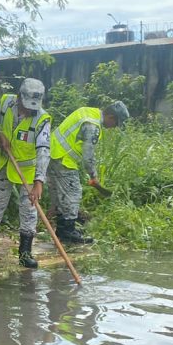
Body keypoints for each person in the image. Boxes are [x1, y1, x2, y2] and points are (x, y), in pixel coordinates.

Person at [0, 78, 52, 268]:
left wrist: (39, 181)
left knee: (29, 209)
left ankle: (25, 254)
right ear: (19, 97)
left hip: (27, 171)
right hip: (3, 163)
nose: (29, 110)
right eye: (26, 105)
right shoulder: (5, 103)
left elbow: (44, 150)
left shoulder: (42, 119)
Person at [47, 100, 130, 244]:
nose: (114, 127)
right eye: (116, 123)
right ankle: (68, 232)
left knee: (63, 194)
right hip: (63, 158)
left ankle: (63, 230)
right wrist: (93, 175)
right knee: (73, 193)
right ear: (110, 117)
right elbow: (88, 154)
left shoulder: (88, 111)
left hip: (52, 152)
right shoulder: (93, 126)